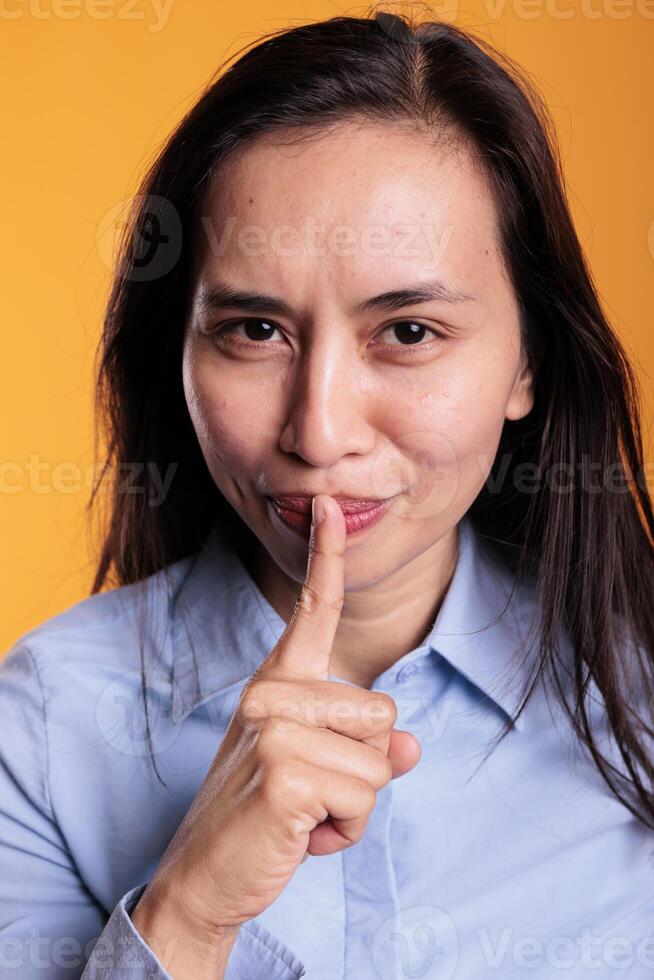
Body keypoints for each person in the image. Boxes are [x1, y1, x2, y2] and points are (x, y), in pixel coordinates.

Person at [1, 7, 653, 979]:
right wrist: (187, 909)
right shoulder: (40, 730)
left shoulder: (637, 699)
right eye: (255, 332)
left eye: (410, 332)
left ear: (529, 365)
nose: (318, 431)